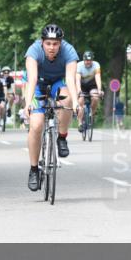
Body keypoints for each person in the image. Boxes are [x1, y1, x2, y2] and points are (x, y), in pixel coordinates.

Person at [24, 23, 78, 191]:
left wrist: (76, 102)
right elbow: (32, 79)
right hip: (37, 85)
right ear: (42, 42)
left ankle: (61, 137)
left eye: (55, 44)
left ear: (61, 43)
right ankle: (34, 170)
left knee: (67, 100)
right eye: (48, 43)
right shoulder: (33, 51)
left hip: (58, 83)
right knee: (36, 125)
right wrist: (27, 103)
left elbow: (71, 79)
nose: (52, 47)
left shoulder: (69, 51)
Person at [76, 50, 102, 132]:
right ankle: (80, 123)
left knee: (95, 97)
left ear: (92, 60)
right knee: (80, 101)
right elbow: (77, 79)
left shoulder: (96, 65)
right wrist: (78, 90)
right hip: (82, 85)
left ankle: (92, 114)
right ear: (84, 60)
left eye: (90, 60)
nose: (88, 62)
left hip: (92, 85)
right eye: (86, 60)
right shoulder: (79, 65)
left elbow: (98, 77)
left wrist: (99, 89)